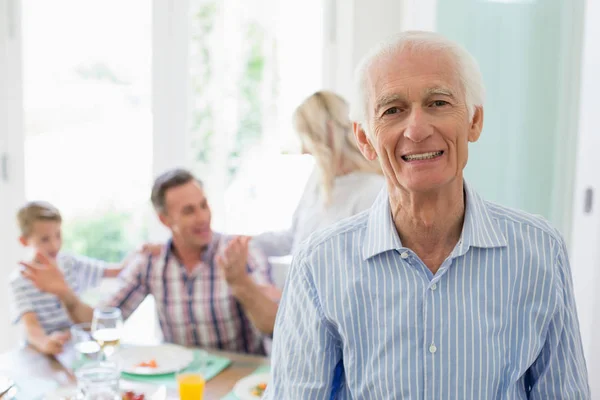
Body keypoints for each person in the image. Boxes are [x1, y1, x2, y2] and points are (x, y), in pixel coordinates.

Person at [265, 31, 590, 398]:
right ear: (365, 139)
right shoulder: (318, 265)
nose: (417, 129)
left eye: (438, 102)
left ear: (474, 121)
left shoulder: (540, 252)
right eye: (393, 110)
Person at [21, 169, 278, 355]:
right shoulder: (151, 262)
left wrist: (240, 283)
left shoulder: (242, 252)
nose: (202, 217)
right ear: (165, 220)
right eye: (189, 211)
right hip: (178, 381)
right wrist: (65, 294)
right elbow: (101, 323)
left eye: (203, 205)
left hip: (240, 378)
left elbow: (273, 326)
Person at [253, 91, 384, 257]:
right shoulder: (319, 179)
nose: (303, 150)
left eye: (306, 139)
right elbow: (292, 239)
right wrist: (240, 242)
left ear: (328, 132)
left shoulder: (372, 192)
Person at [9, 201, 136, 355]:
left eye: (58, 235)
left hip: (74, 346)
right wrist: (46, 343)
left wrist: (141, 252)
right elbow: (31, 327)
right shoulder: (21, 280)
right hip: (41, 351)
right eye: (44, 239)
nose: (54, 245)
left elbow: (118, 270)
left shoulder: (69, 263)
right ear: (24, 241)